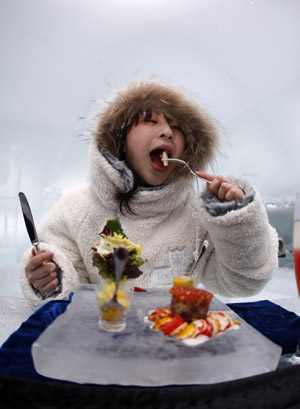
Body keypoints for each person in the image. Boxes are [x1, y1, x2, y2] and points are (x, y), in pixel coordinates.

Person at [20, 80, 278, 301]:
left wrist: (237, 220)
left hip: (180, 343)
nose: (167, 131)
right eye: (150, 121)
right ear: (121, 140)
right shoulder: (77, 209)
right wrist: (49, 277)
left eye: (177, 128)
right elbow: (61, 269)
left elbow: (244, 281)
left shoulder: (197, 216)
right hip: (103, 342)